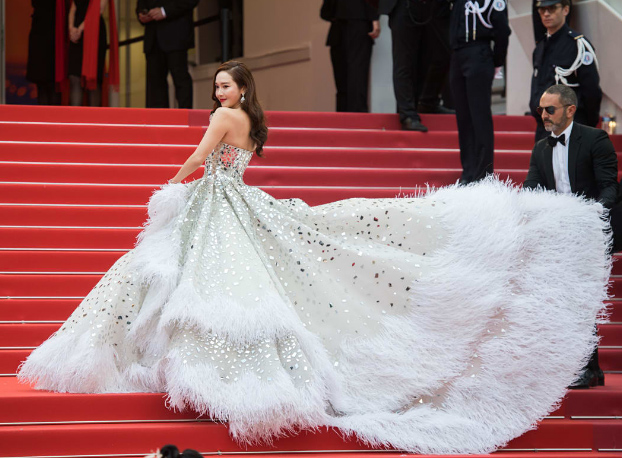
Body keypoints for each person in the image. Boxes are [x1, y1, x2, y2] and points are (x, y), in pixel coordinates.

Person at [18, 61, 610, 454]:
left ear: (241, 90)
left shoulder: (224, 119)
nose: (219, 94)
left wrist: (171, 183)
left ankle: (202, 371)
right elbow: (231, 160)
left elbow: (201, 157)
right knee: (222, 283)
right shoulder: (251, 122)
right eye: (217, 87)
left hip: (216, 206)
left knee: (201, 284)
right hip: (236, 204)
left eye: (226, 86)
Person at [524, 84, 617, 389]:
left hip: (590, 233)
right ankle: (585, 368)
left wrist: (591, 215)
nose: (543, 115)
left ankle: (588, 368)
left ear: (570, 110)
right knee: (563, 302)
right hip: (559, 237)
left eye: (550, 109)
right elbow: (532, 189)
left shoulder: (594, 139)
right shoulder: (541, 148)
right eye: (541, 109)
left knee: (582, 301)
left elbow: (609, 187)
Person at [450, 0, 511, 184]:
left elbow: (502, 32)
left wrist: (497, 61)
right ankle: (468, 172)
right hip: (457, 55)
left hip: (479, 52)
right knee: (463, 118)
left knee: (479, 117)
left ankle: (483, 174)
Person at [530, 0, 601, 142]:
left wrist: (586, 124)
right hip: (544, 129)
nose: (546, 14)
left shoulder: (578, 45)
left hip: (571, 128)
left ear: (565, 10)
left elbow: (591, 91)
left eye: (552, 8)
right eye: (542, 10)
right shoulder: (540, 48)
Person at [379, 0, 453, 131]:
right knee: (404, 61)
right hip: (404, 5)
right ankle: (407, 114)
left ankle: (428, 102)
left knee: (444, 53)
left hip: (437, 7)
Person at [137, 0, 199, 109]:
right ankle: (157, 118)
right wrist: (141, 13)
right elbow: (141, 4)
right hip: (153, 36)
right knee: (154, 86)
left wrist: (164, 11)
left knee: (180, 79)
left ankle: (184, 116)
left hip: (176, 33)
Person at [321, 0, 380, 113]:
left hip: (338, 20)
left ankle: (343, 119)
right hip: (359, 18)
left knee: (343, 81)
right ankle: (356, 118)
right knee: (357, 77)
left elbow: (326, 12)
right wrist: (374, 16)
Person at [27, 0, 61, 105]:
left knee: (51, 84)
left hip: (52, 35)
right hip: (42, 35)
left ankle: (52, 114)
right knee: (44, 83)